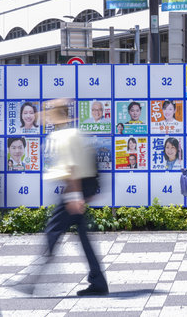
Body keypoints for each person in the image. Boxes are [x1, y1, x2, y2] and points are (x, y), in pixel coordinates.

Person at [43, 99, 109, 296]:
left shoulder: (63, 136)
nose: (47, 116)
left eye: (50, 113)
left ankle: (34, 280)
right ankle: (98, 281)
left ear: (58, 115)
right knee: (82, 237)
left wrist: (74, 197)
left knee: (52, 233)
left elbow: (72, 169)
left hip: (74, 192)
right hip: (80, 190)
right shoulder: (73, 133)